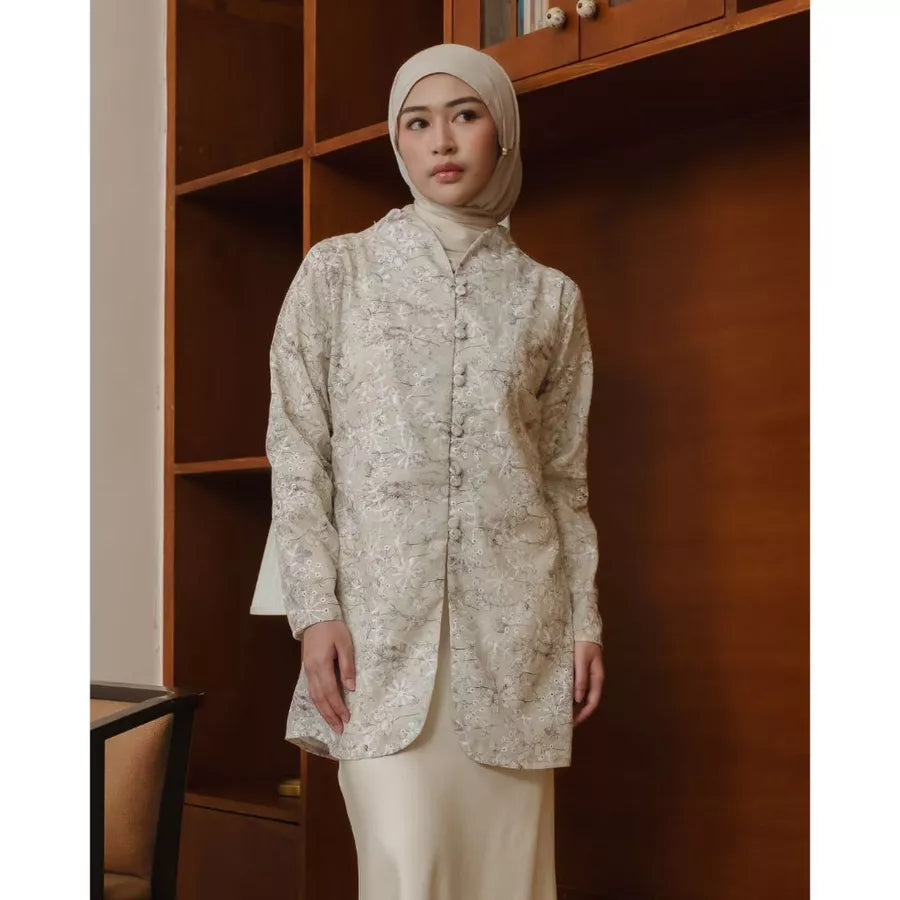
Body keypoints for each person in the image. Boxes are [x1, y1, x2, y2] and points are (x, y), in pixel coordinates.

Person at [266, 42, 605, 900]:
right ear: (397, 142)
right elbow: (298, 452)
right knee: (406, 866)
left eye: (465, 116)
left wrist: (585, 622)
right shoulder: (336, 272)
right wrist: (315, 611)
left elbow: (563, 481)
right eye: (417, 123)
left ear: (503, 133)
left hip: (517, 641)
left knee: (508, 881)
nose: (442, 141)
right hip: (377, 637)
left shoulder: (551, 299)